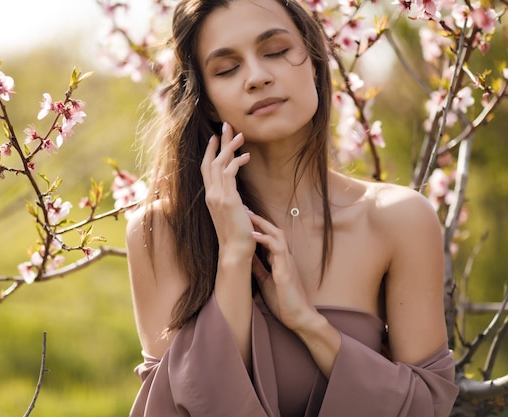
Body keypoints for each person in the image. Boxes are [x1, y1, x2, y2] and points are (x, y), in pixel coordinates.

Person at [125, 0, 460, 415]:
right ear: (207, 102)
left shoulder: (397, 219)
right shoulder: (161, 231)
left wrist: (309, 325)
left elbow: (425, 406)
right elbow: (171, 409)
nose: (258, 77)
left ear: (315, 63)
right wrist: (233, 257)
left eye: (277, 51)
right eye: (227, 69)